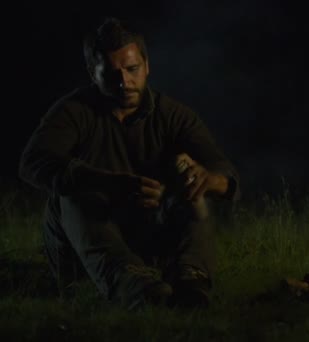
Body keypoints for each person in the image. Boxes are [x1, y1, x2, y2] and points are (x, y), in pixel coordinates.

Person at [18, 17, 240, 310]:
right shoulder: (74, 111)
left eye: (132, 69)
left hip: (149, 232)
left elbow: (225, 174)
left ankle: (190, 279)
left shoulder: (174, 116)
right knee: (71, 190)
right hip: (87, 242)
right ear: (92, 74)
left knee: (191, 179)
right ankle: (136, 287)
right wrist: (106, 182)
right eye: (111, 74)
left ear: (147, 66)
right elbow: (32, 163)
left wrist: (208, 180)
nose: (124, 82)